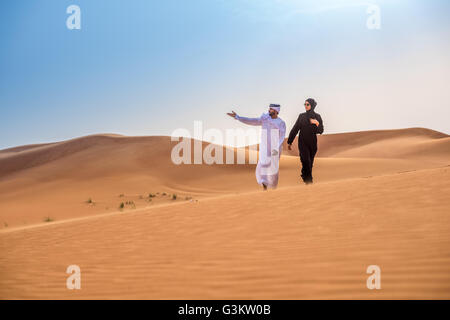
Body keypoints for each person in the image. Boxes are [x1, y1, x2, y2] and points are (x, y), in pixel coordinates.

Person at [227, 104, 286, 190]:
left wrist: (276, 148)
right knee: (262, 164)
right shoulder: (265, 119)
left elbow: (282, 136)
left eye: (271, 109)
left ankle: (273, 187)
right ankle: (264, 184)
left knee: (273, 168)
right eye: (269, 109)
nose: (269, 110)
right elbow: (252, 121)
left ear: (276, 111)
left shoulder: (281, 122)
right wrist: (238, 117)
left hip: (275, 148)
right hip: (265, 147)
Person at [287, 98, 324, 184]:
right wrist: (290, 141)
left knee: (309, 164)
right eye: (305, 104)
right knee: (306, 161)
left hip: (312, 144)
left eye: (307, 104)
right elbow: (295, 128)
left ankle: (305, 177)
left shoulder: (317, 117)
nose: (306, 106)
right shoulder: (302, 116)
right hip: (303, 143)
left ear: (312, 105)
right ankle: (309, 183)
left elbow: (321, 131)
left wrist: (316, 123)